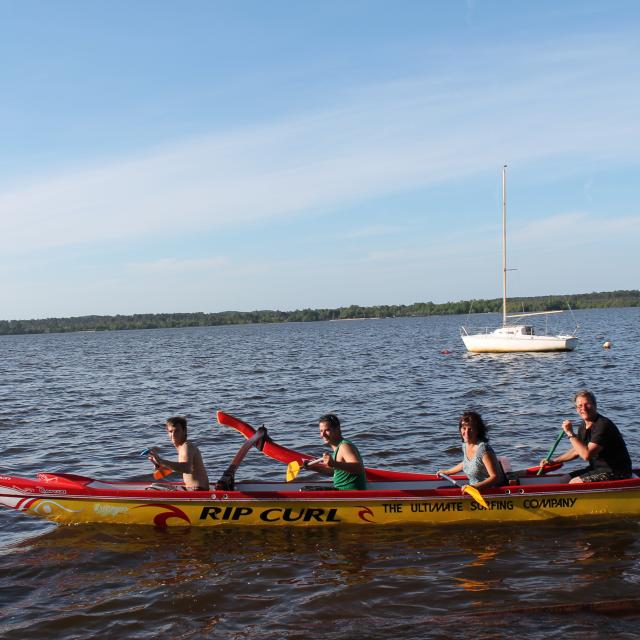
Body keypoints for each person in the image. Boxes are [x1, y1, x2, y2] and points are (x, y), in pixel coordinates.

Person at [541, 390, 632, 484]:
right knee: (563, 479)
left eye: (587, 404)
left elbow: (586, 455)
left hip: (617, 472)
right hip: (596, 469)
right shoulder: (583, 426)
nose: (583, 409)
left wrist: (570, 433)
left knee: (574, 482)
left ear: (595, 405)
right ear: (576, 409)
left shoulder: (603, 425)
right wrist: (553, 461)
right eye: (580, 406)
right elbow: (577, 450)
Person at [437, 411, 506, 490]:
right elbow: (467, 463)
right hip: (473, 488)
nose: (466, 432)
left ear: (477, 431)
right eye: (464, 428)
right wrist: (447, 472)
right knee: (441, 489)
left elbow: (495, 477)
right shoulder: (465, 445)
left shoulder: (484, 450)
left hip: (492, 490)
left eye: (470, 429)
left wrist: (473, 487)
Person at [305, 413, 367, 490]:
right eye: (321, 431)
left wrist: (334, 463)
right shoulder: (338, 448)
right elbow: (334, 472)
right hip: (340, 491)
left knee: (304, 491)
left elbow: (358, 468)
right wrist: (314, 468)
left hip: (349, 493)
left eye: (327, 430)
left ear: (337, 429)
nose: (323, 435)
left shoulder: (344, 446)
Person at [148, 416, 210, 491]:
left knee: (151, 489)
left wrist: (161, 461)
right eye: (170, 431)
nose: (173, 434)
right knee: (155, 486)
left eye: (176, 431)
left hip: (198, 491)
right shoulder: (182, 447)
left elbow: (187, 468)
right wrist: (160, 465)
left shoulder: (186, 446)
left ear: (185, 431)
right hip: (192, 489)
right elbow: (182, 469)